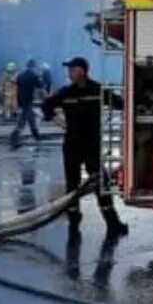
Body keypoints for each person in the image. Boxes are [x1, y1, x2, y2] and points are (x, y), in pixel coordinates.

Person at [41, 56, 126, 237]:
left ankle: (113, 222)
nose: (69, 73)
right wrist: (55, 118)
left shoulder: (98, 90)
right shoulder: (66, 93)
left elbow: (120, 103)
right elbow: (47, 105)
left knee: (100, 182)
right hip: (72, 145)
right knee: (72, 183)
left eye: (72, 70)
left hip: (91, 145)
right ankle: (74, 220)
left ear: (81, 71)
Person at [9, 59, 45, 149]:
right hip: (28, 100)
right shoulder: (34, 75)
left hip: (22, 100)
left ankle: (36, 135)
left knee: (31, 118)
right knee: (23, 120)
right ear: (33, 66)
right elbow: (41, 86)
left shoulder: (21, 75)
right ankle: (14, 138)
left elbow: (15, 83)